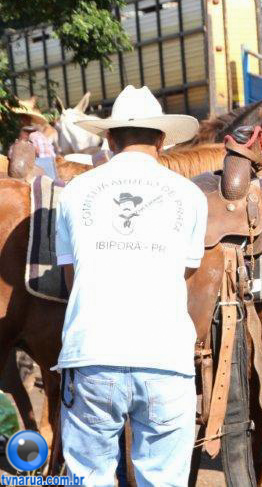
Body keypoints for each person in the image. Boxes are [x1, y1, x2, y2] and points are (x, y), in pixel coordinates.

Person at [55, 85, 207, 486]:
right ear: (161, 139)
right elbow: (185, 272)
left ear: (109, 139)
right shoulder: (190, 196)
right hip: (165, 357)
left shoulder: (74, 192)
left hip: (91, 353)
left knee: (90, 478)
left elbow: (72, 280)